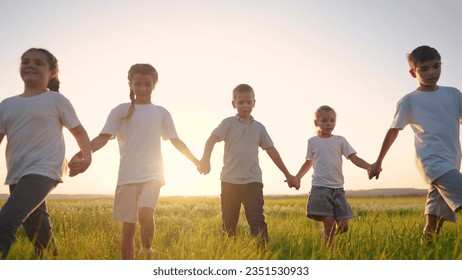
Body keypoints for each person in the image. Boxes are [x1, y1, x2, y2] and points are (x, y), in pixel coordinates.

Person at [69, 63, 200, 260]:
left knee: (146, 215)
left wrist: (195, 160)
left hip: (153, 174)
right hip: (127, 176)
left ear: (154, 85)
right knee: (128, 230)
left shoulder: (161, 112)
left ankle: (147, 251)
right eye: (138, 84)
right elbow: (103, 138)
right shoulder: (120, 110)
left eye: (147, 84)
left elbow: (175, 140)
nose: (143, 89)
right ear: (130, 84)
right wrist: (81, 154)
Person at [0, 48, 92, 259]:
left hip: (44, 172)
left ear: (52, 72)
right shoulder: (6, 105)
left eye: (38, 63)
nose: (30, 65)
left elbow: (79, 132)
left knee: (5, 222)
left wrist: (87, 157)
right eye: (26, 61)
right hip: (17, 175)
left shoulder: (56, 101)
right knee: (41, 241)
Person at [369, 45, 462, 244]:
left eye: (436, 66)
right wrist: (378, 162)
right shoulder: (409, 101)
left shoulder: (454, 94)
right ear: (413, 72)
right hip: (432, 163)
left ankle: (425, 255)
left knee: (434, 223)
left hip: (452, 162)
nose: (432, 73)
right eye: (425, 69)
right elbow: (393, 130)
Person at [198, 83, 297, 247]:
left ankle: (262, 255)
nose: (245, 106)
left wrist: (288, 175)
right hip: (230, 181)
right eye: (240, 102)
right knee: (229, 222)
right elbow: (212, 139)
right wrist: (205, 159)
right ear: (233, 104)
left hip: (253, 180)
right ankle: (230, 254)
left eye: (248, 102)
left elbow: (271, 150)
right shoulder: (228, 123)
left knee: (257, 220)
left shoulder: (259, 128)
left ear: (254, 103)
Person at [294, 105, 370, 245]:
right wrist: (297, 177)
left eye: (332, 120)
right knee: (328, 223)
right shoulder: (312, 142)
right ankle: (329, 253)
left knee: (343, 226)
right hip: (320, 187)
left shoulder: (340, 140)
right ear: (316, 123)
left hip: (338, 189)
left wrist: (369, 167)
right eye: (324, 120)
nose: (329, 123)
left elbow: (354, 158)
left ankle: (325, 235)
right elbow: (308, 162)